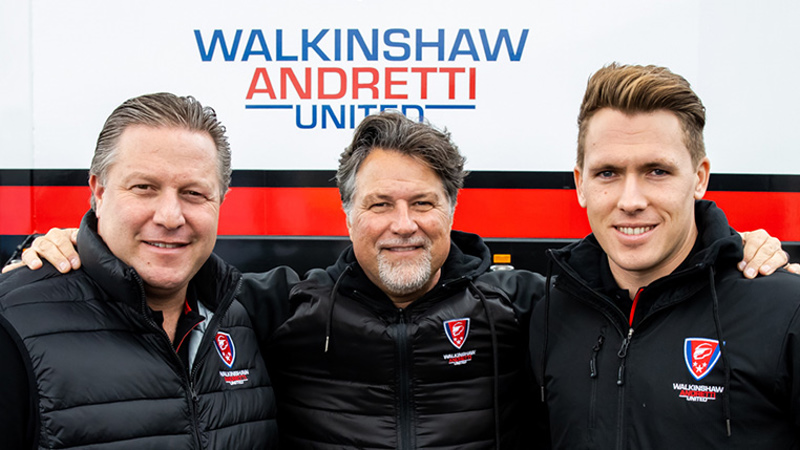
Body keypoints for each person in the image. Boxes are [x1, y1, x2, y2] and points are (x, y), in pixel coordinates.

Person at [6, 110, 793, 449]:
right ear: (346, 214)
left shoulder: (528, 306)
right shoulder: (272, 306)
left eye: (423, 202)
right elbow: (160, 284)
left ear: (453, 207)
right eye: (378, 203)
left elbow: (637, 298)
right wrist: (65, 251)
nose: (402, 222)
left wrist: (731, 250)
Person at [532, 63, 800, 448]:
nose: (631, 201)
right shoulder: (549, 314)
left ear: (700, 178)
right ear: (580, 185)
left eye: (657, 171)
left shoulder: (785, 310)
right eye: (607, 173)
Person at [0, 93, 283, 449]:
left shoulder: (243, 320)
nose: (169, 216)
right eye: (144, 188)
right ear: (99, 192)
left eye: (194, 193)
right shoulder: (13, 325)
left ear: (220, 202)